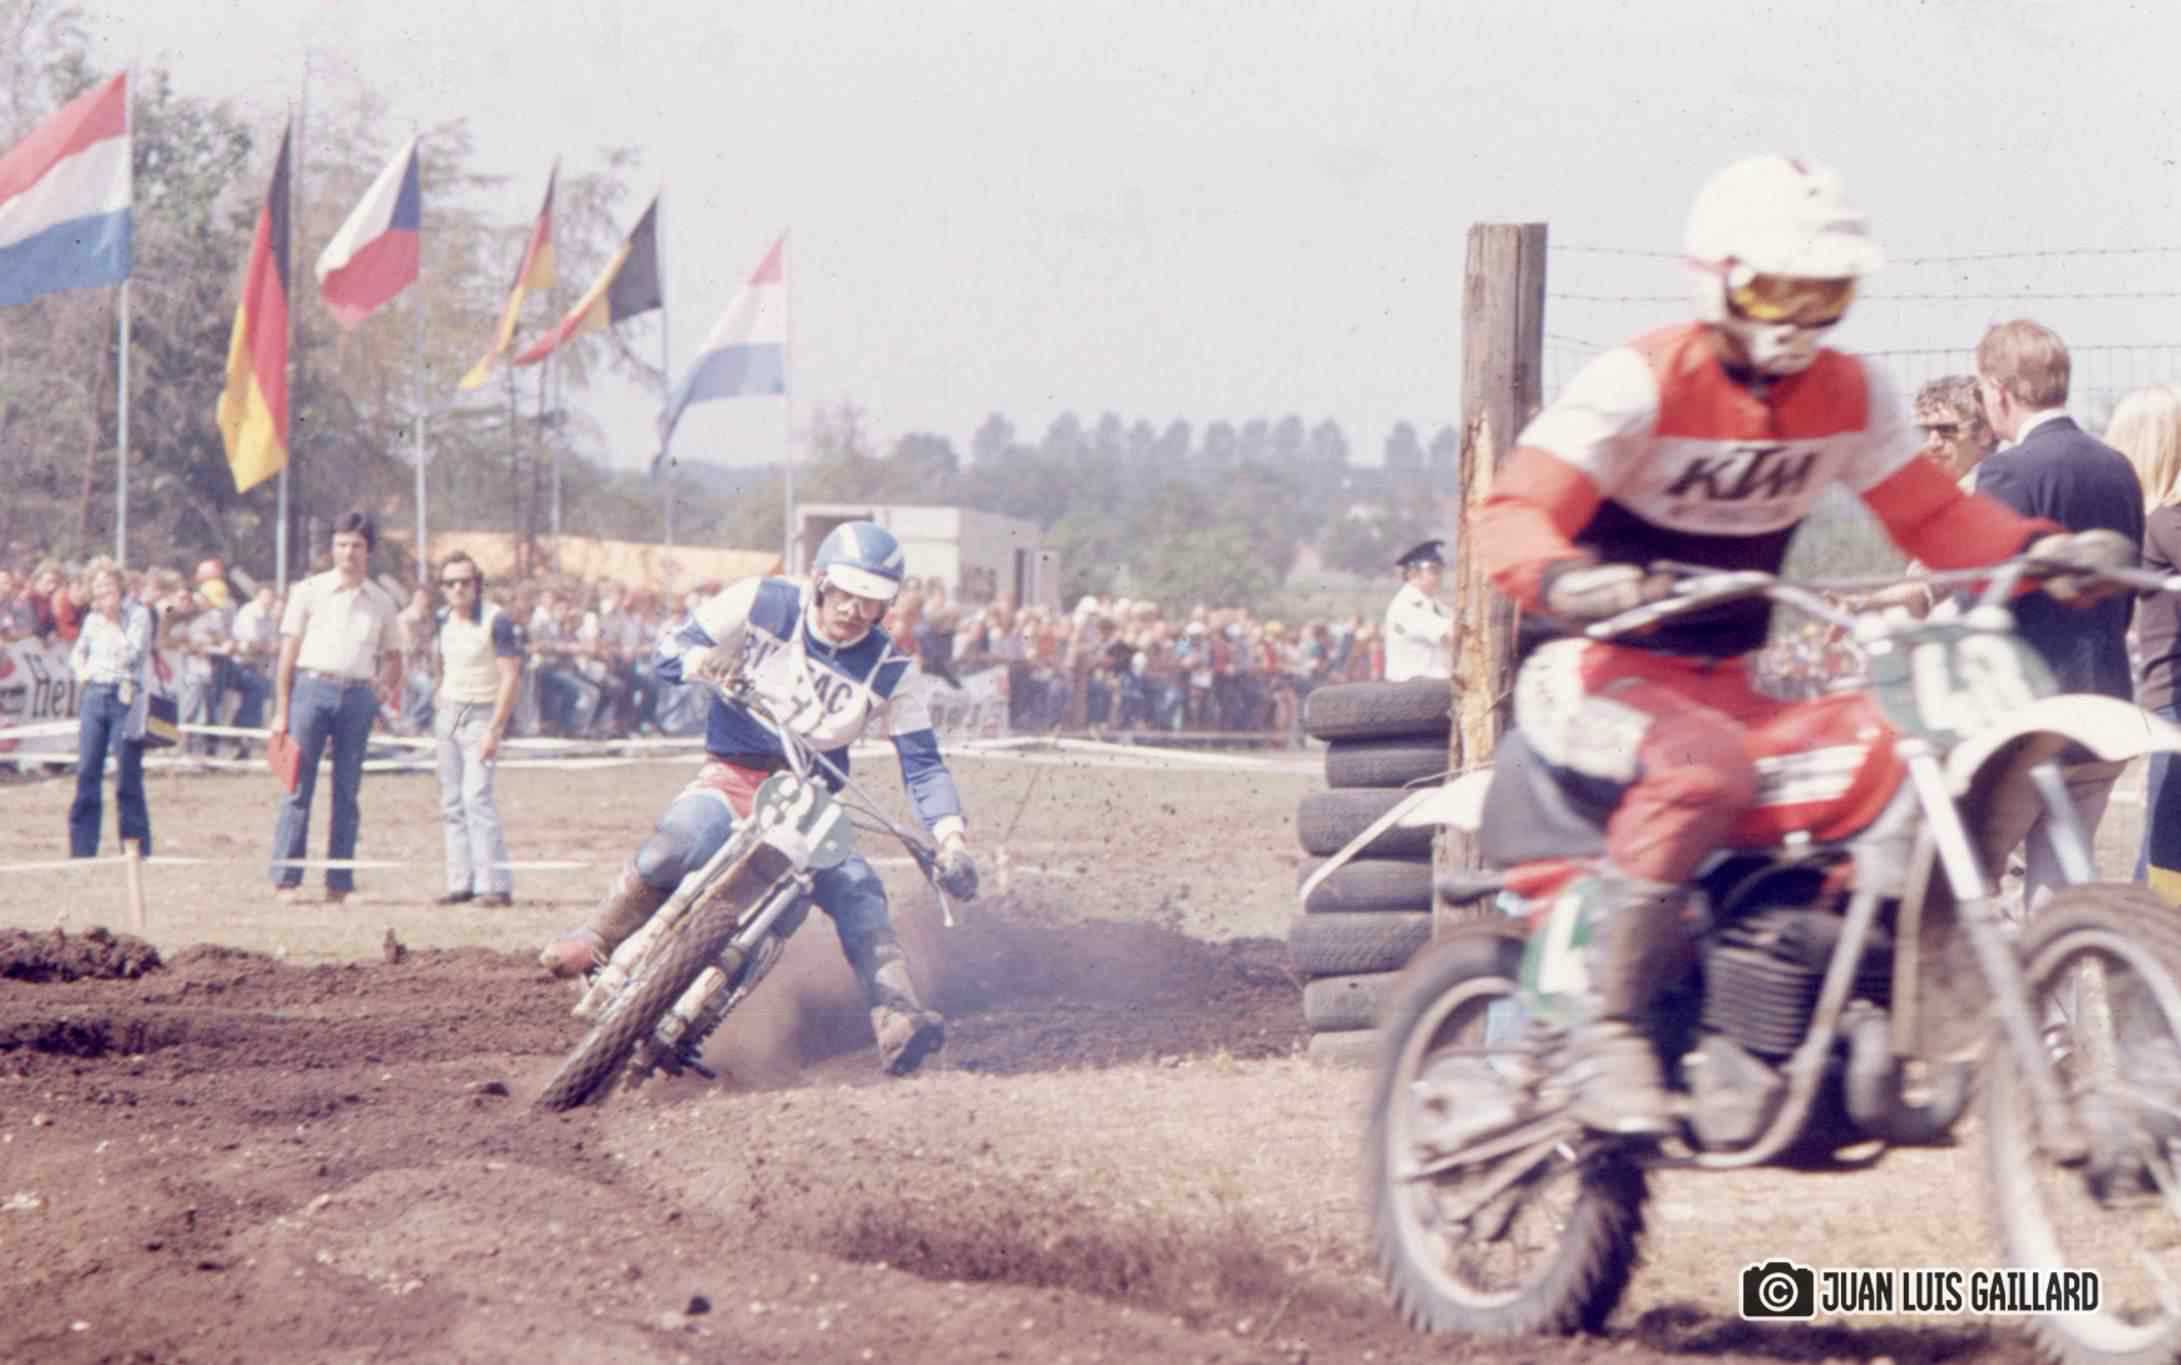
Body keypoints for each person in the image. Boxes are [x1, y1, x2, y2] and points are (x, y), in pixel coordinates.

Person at [1471, 154, 2130, 1137]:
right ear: (1719, 279)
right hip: (1593, 669)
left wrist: (2046, 553)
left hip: (1732, 680)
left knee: (1894, 750)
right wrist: (1566, 577)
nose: (1799, 318)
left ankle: (1834, 1017)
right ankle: (1605, 1027)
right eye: (1778, 290)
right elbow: (1510, 510)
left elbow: (1935, 520)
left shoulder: (1847, 393)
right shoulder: (1637, 384)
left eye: (1824, 293)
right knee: (1701, 772)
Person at [538, 520, 981, 1076]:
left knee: (860, 891)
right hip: (733, 776)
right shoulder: (761, 601)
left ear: (885, 608)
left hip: (811, 803)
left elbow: (923, 764)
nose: (852, 610)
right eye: (844, 593)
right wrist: (702, 663)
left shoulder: (891, 671)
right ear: (820, 580)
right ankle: (597, 934)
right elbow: (669, 651)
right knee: (676, 845)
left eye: (870, 601)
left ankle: (896, 1014)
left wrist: (951, 841)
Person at [1965, 321, 2147, 923]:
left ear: (1999, 392)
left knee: (1970, 881)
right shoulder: (2118, 467)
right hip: (2106, 706)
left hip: (2030, 717)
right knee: (2058, 896)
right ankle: (2054, 988)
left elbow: (1981, 598)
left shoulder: (2007, 473)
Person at [268, 512, 409, 904]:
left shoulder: (381, 602)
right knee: (297, 788)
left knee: (347, 793)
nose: (349, 553)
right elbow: (287, 657)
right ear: (332, 548)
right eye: (342, 544)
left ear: (369, 551)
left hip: (357, 697)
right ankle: (287, 880)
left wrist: (378, 694)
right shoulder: (308, 591)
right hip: (311, 692)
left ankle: (339, 883)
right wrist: (282, 710)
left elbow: (395, 659)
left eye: (357, 546)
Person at [2109, 385, 2181, 902]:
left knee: (2164, 844)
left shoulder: (2148, 521)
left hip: (2164, 698)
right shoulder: (2167, 522)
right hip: (2175, 700)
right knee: (2164, 852)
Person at [431, 551, 522, 907]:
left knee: (476, 796)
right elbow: (442, 664)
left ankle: (493, 885)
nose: (458, 589)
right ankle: (461, 882)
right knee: (452, 801)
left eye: (465, 582)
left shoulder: (497, 620)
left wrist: (495, 729)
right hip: (450, 711)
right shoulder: (442, 619)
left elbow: (510, 676)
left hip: (483, 713)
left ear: (477, 584)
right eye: (450, 583)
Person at [67, 563, 156, 859]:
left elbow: (133, 654)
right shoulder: (92, 620)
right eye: (98, 588)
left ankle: (135, 847)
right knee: (87, 771)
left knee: (127, 775)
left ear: (119, 586)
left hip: (125, 697)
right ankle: (82, 850)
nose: (103, 593)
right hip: (95, 695)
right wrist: (83, 673)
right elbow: (79, 651)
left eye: (108, 586)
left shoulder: (138, 615)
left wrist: (115, 622)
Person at [1383, 539, 1454, 682]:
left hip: (1432, 685)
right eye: (1433, 570)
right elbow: (1452, 633)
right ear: (1413, 573)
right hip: (1412, 686)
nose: (1439, 577)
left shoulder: (1435, 605)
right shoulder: (1406, 606)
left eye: (1440, 571)